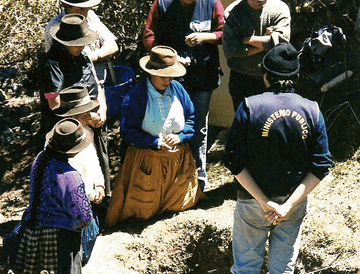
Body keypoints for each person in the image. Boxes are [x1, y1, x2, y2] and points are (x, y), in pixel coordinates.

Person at [222, 44, 332, 274]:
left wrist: (262, 201)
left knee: (245, 270)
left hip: (252, 204)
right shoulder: (311, 109)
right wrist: (287, 205)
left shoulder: (248, 106)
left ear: (265, 75)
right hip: (292, 206)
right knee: (282, 270)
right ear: (296, 76)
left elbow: (233, 161)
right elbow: (320, 165)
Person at [0, 118, 93, 274]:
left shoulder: (40, 160)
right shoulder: (70, 176)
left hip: (31, 228)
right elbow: (82, 216)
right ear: (74, 150)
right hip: (55, 239)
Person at [104, 46, 200, 227]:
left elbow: (192, 118)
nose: (168, 80)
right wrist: (155, 142)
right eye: (164, 76)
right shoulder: (136, 95)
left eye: (171, 76)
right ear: (151, 73)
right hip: (146, 158)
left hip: (178, 159)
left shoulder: (178, 90)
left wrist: (181, 137)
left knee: (179, 201)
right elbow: (127, 131)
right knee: (143, 207)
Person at [142, 0, 225, 191]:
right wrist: (168, 59)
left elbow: (224, 33)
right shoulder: (162, 4)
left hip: (203, 75)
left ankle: (198, 180)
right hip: (170, 78)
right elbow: (148, 35)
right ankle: (172, 180)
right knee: (169, 125)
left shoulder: (211, 3)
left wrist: (205, 37)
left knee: (198, 128)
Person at [43, 13, 111, 196]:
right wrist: (86, 118)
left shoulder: (83, 56)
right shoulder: (52, 62)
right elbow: (53, 101)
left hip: (94, 117)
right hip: (72, 125)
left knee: (99, 163)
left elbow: (96, 83)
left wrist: (102, 108)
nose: (82, 46)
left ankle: (103, 202)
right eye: (78, 43)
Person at [54, 85, 105, 265]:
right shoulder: (64, 139)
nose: (90, 118)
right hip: (72, 206)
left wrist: (99, 184)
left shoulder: (85, 133)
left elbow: (94, 161)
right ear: (73, 117)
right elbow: (73, 180)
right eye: (85, 115)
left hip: (87, 198)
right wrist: (92, 195)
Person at [223, 0, 290, 112]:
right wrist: (267, 41)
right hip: (242, 78)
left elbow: (282, 43)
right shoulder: (232, 12)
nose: (259, 1)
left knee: (271, 123)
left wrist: (246, 40)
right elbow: (231, 51)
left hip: (273, 78)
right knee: (245, 122)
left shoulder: (279, 8)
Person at [45, 0, 119, 83]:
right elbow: (56, 63)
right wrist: (101, 55)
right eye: (82, 8)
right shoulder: (55, 27)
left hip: (99, 80)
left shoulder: (90, 16)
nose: (87, 9)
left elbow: (112, 45)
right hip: (75, 84)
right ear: (68, 7)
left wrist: (94, 57)